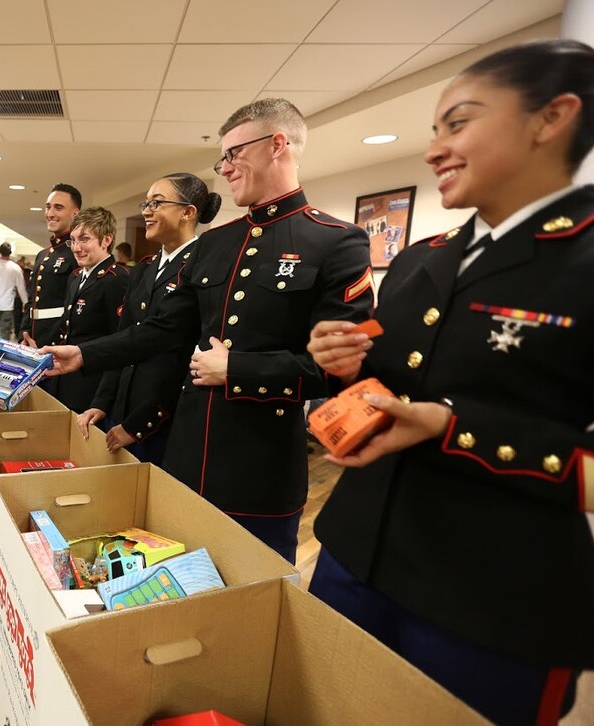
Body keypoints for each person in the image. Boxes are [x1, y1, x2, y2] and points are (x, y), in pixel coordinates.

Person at [304, 39, 594, 723]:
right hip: (355, 555)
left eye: (458, 124)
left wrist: (451, 426)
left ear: (551, 118)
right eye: (434, 130)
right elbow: (384, 373)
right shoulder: (419, 260)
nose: (434, 149)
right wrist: (343, 362)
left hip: (493, 598)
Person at [42, 99, 373, 564]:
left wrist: (237, 368)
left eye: (234, 153)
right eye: (223, 158)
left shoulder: (335, 241)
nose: (226, 168)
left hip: (260, 466)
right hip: (187, 456)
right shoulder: (216, 244)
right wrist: (85, 353)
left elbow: (339, 370)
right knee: (175, 580)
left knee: (252, 593)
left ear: (277, 145)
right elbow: (163, 330)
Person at [78, 174, 221, 465]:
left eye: (157, 203)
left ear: (187, 212)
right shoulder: (144, 268)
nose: (146, 211)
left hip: (163, 419)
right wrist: (102, 402)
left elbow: (183, 358)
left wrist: (139, 424)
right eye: (147, 203)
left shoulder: (203, 267)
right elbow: (124, 339)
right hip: (123, 409)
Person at [41, 207, 129, 413]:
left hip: (93, 386)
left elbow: (120, 345)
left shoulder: (116, 280)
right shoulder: (75, 277)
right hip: (67, 379)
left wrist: (102, 402)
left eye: (84, 239)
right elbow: (67, 327)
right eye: (73, 240)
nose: (76, 248)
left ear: (106, 240)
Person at [20, 183, 81, 347]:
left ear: (75, 214)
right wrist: (23, 334)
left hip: (58, 344)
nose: (50, 213)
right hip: (33, 340)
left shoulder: (78, 253)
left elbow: (76, 308)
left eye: (58, 208)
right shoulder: (43, 254)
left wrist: (54, 343)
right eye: (48, 207)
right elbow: (32, 301)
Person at [0, 242, 27, 340]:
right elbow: (21, 287)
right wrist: (25, 302)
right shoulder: (15, 268)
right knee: (5, 332)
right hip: (7, 305)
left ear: (0, 252)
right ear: (10, 252)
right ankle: (2, 354)